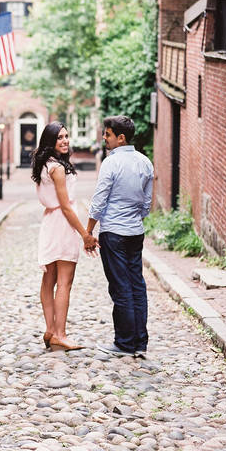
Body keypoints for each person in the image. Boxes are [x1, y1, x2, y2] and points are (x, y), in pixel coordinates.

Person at [85, 115, 154, 358]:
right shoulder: (145, 162)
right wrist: (133, 217)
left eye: (107, 134)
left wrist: (89, 230)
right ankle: (139, 343)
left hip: (113, 232)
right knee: (137, 285)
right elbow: (146, 204)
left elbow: (99, 200)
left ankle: (124, 343)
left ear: (120, 137)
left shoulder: (111, 163)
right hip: (135, 232)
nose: (104, 138)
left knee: (120, 287)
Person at [32, 121, 98, 351]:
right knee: (64, 282)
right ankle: (60, 333)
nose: (65, 141)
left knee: (48, 280)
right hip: (62, 223)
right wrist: (85, 235)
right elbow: (67, 206)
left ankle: (50, 330)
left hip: (50, 223)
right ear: (50, 141)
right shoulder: (58, 168)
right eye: (59, 137)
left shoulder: (46, 165)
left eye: (66, 136)